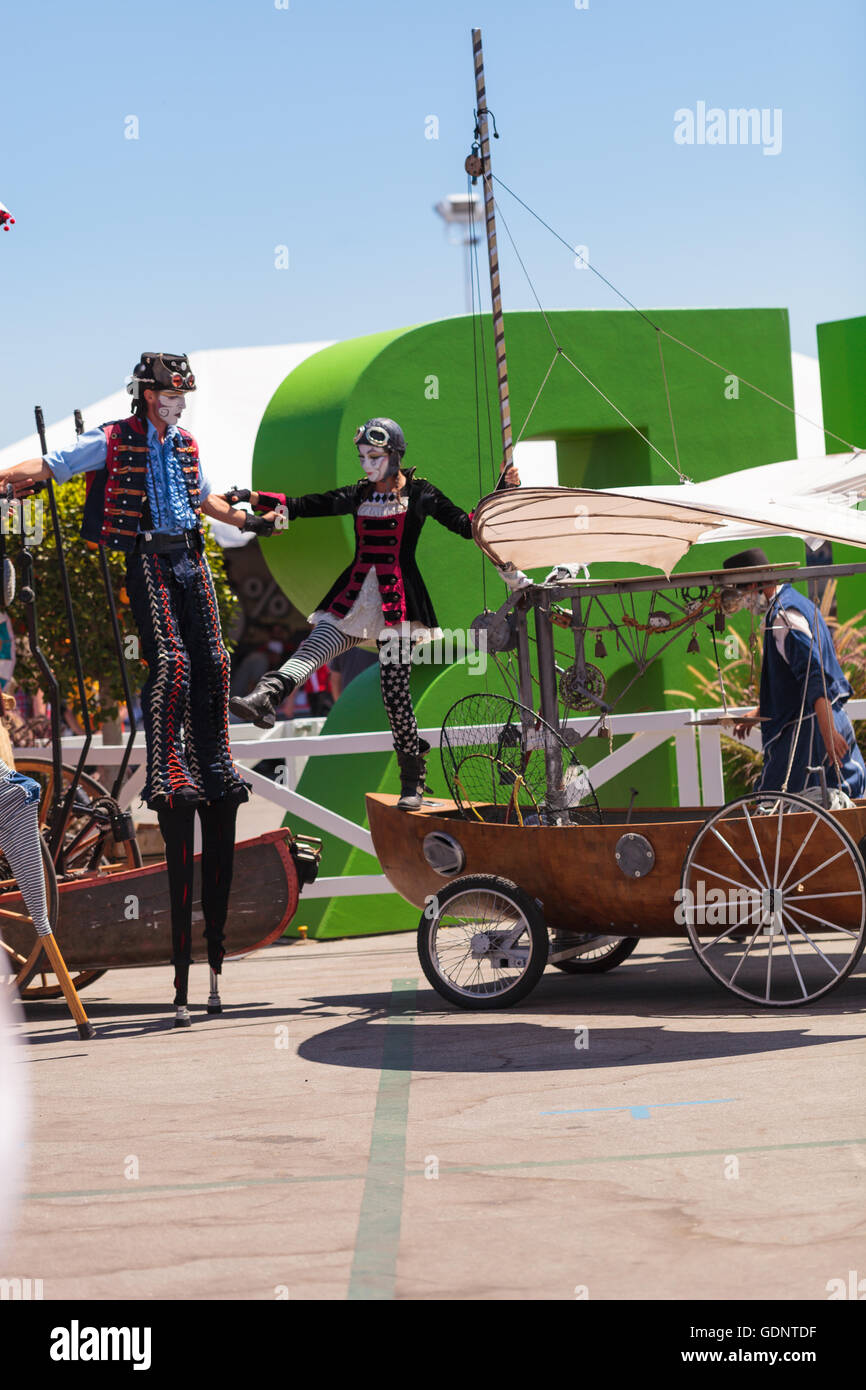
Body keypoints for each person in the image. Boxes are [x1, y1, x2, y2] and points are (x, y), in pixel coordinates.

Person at [0, 351, 278, 1026]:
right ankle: (169, 765)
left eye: (183, 391)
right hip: (146, 555)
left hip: (189, 553)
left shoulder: (185, 446)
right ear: (146, 393)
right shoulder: (115, 438)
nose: (177, 400)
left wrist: (246, 521)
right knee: (174, 663)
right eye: (169, 391)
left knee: (211, 657)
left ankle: (210, 759)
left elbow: (206, 496)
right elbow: (59, 464)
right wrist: (11, 478)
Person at [227, 417, 525, 809]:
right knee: (313, 648)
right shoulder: (357, 494)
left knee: (395, 694)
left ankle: (413, 778)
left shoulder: (421, 495)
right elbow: (304, 505)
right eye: (363, 457)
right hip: (353, 598)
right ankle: (265, 695)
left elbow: (466, 527)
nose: (367, 465)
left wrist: (502, 494)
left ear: (395, 456)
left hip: (398, 607)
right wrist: (252, 496)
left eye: (375, 456)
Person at [726, 547, 866, 799]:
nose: (744, 603)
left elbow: (814, 674)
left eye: (742, 593)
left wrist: (827, 732)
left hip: (810, 727)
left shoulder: (783, 617)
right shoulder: (798, 605)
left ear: (756, 584)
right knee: (837, 800)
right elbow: (795, 684)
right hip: (824, 718)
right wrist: (760, 712)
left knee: (774, 803)